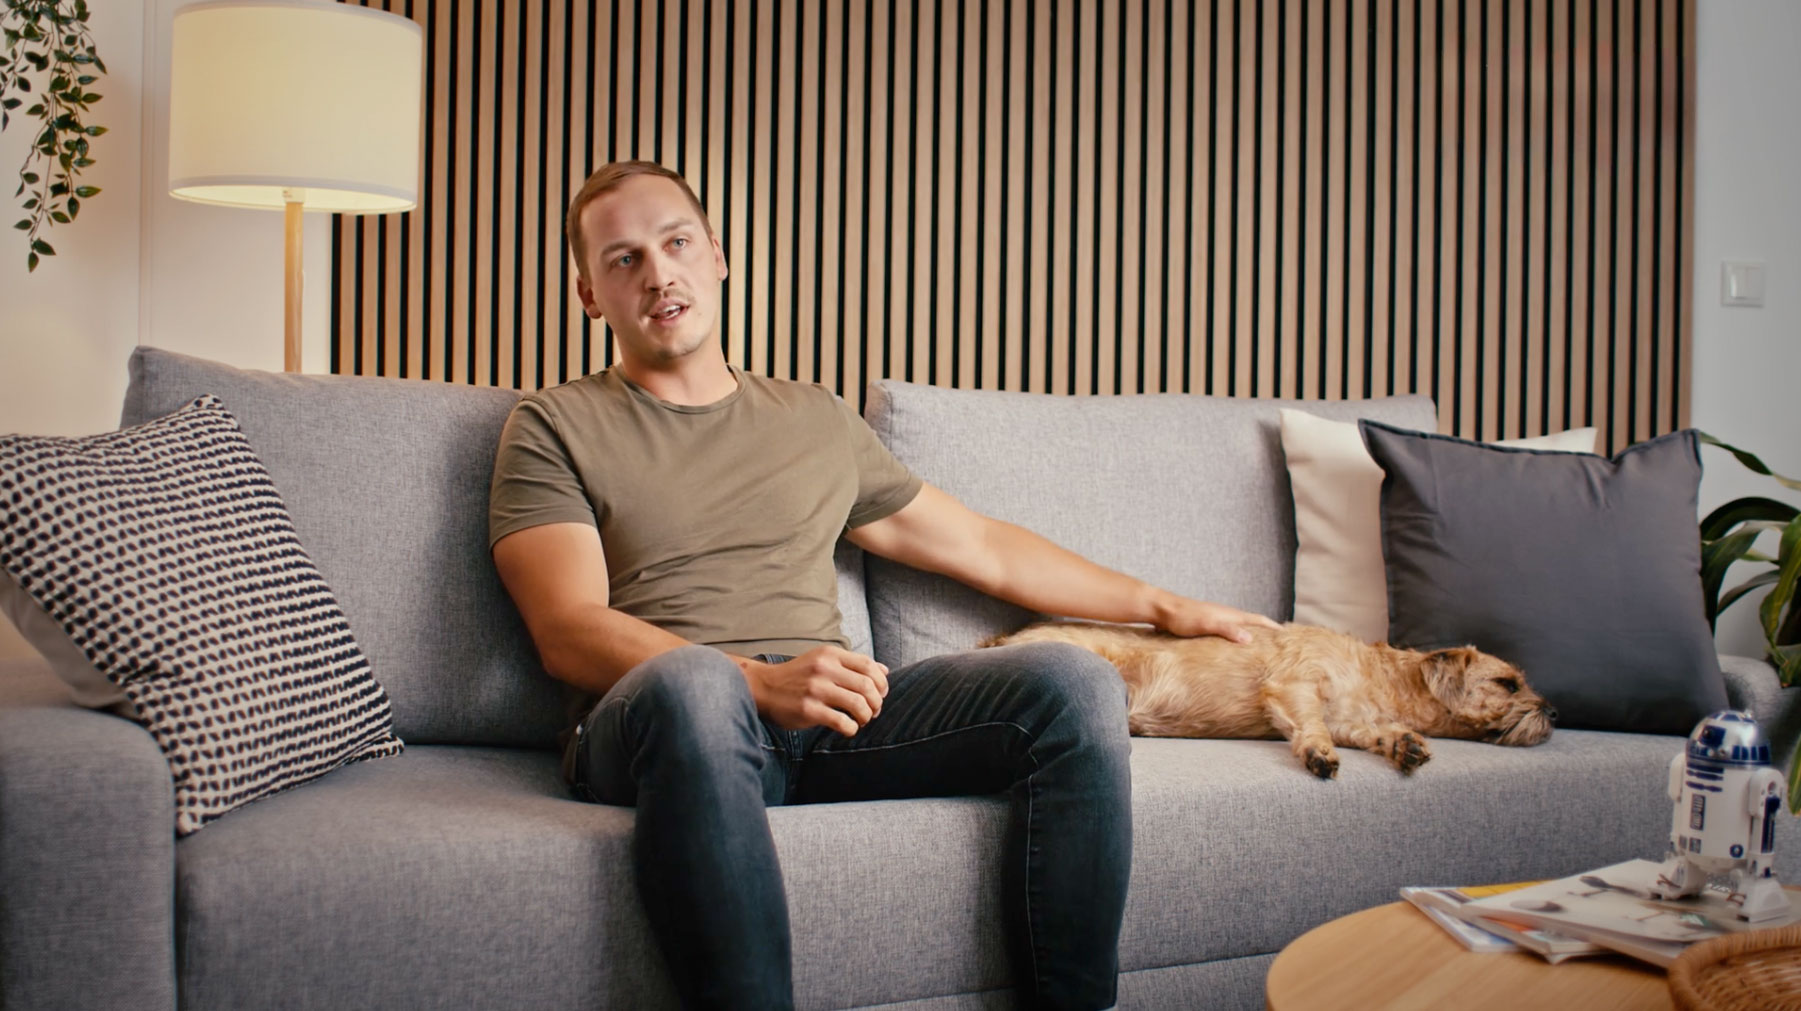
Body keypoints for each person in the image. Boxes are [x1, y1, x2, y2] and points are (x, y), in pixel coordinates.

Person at [488, 160, 1276, 1011]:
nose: (658, 273)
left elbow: (982, 546)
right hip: (668, 721)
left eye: (676, 242)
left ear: (716, 255)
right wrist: (756, 680)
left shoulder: (812, 418)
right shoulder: (553, 423)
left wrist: (1168, 606)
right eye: (623, 259)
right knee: (695, 682)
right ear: (587, 294)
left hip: (828, 719)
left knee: (1074, 682)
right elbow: (566, 626)